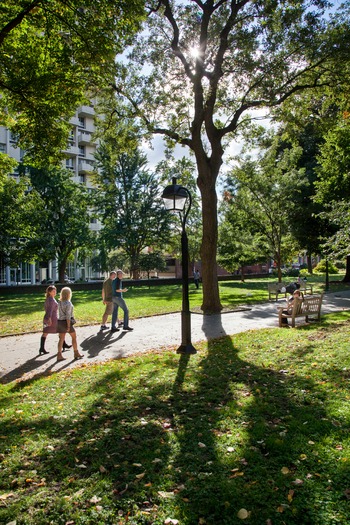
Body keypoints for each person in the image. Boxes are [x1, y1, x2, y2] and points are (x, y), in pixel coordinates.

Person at [39, 285, 71, 355]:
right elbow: (49, 310)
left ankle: (42, 348)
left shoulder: (48, 299)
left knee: (46, 332)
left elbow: (46, 309)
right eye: (53, 291)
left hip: (48, 318)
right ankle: (63, 344)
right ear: (49, 292)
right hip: (52, 318)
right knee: (60, 330)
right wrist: (49, 318)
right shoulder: (51, 300)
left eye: (55, 291)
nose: (55, 292)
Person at [56, 287, 83, 362]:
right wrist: (68, 326)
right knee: (74, 337)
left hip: (60, 321)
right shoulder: (68, 303)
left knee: (61, 339)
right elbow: (68, 316)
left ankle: (59, 354)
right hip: (66, 322)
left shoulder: (59, 302)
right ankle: (76, 352)